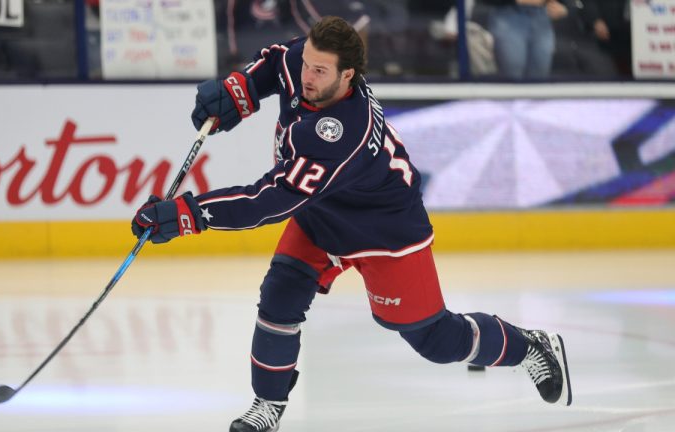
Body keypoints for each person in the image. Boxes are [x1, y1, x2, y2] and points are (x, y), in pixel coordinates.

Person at [131, 16, 572, 432]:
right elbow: (275, 66)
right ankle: (269, 403)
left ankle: (529, 345)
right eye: (308, 64)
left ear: (348, 77)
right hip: (322, 216)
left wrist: (189, 215)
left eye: (320, 71)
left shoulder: (340, 131)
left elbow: (268, 199)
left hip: (384, 232)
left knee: (434, 340)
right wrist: (238, 92)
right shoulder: (308, 58)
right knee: (279, 297)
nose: (308, 76)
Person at [478, 0, 567, 79]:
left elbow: (563, 5)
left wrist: (563, 5)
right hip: (508, 16)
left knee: (539, 79)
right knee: (511, 77)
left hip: (542, 18)